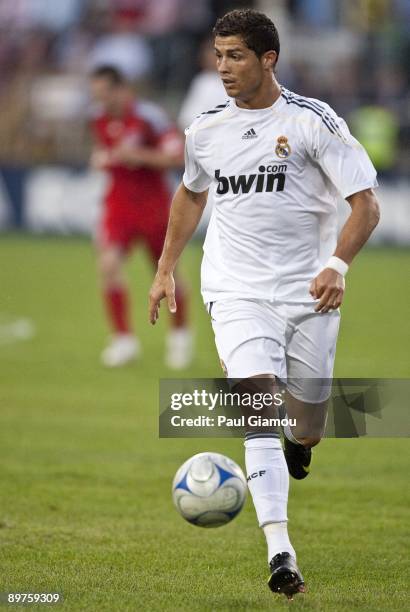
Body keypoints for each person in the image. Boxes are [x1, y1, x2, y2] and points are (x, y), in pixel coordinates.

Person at [149, 9, 380, 599]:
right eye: (218, 55)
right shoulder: (205, 129)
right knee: (257, 407)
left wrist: (337, 265)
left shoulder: (312, 123)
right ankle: (281, 551)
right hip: (234, 290)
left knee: (306, 427)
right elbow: (190, 194)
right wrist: (166, 267)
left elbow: (366, 205)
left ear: (268, 58)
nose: (222, 67)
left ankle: (298, 446)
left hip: (309, 294)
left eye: (236, 56)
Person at [90, 65, 192, 368]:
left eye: (105, 94)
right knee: (108, 265)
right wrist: (101, 159)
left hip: (154, 207)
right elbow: (106, 151)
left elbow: (177, 155)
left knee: (166, 274)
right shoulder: (98, 118)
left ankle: (179, 337)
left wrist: (141, 157)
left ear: (122, 90)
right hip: (119, 204)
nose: (101, 102)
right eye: (97, 96)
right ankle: (123, 341)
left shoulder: (150, 117)